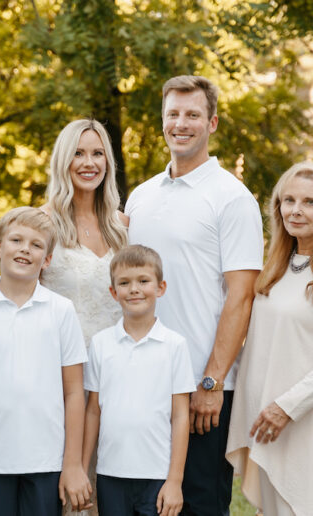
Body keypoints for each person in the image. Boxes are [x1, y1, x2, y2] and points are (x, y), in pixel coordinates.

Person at [125, 75, 264, 515]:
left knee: (198, 504)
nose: (181, 123)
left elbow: (241, 296)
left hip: (201, 389)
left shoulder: (232, 199)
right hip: (140, 382)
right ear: (162, 121)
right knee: (143, 503)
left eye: (192, 115)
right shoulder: (141, 197)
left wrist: (211, 383)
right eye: (173, 114)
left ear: (213, 122)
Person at [0, 207, 91, 516]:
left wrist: (73, 464)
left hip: (47, 462)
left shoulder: (61, 311)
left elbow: (74, 392)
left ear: (47, 260)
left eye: (37, 245)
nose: (26, 248)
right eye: (16, 240)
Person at [226, 162, 313, 516]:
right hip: (266, 425)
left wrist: (286, 408)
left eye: (309, 202)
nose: (295, 210)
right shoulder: (273, 270)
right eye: (287, 200)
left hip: (301, 422)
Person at [83, 245, 196, 516]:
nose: (134, 289)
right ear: (113, 292)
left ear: (160, 287)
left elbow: (180, 416)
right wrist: (84, 468)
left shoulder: (175, 345)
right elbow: (93, 410)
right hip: (110, 474)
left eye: (143, 281)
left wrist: (175, 481)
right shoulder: (100, 344)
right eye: (124, 283)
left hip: (157, 475)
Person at [40, 118, 128, 346]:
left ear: (107, 160)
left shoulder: (123, 226)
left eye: (97, 153)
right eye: (78, 154)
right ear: (62, 161)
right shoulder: (40, 224)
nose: (89, 163)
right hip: (63, 363)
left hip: (118, 360)